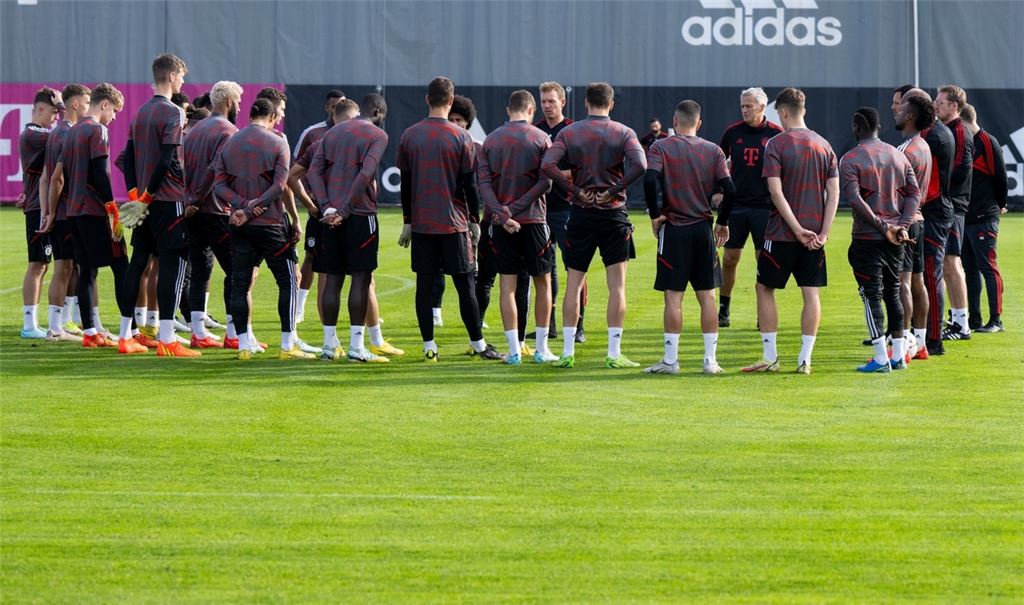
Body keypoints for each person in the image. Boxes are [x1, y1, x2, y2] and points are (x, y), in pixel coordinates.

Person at [541, 82, 647, 369]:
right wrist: (614, 190)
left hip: (581, 212)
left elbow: (548, 166)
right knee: (618, 286)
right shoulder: (623, 132)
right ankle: (613, 354)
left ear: (586, 103)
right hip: (613, 213)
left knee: (573, 284)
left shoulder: (570, 132)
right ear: (610, 104)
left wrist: (573, 190)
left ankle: (567, 352)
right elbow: (640, 165)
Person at [396, 76, 500, 362]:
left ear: (427, 99)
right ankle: (478, 345)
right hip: (454, 224)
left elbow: (406, 184)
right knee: (465, 284)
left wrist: (408, 220)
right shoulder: (462, 137)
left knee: (424, 285)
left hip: (422, 224)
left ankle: (429, 345)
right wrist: (475, 220)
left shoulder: (409, 135)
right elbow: (470, 185)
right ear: (451, 101)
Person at [742, 88, 838, 375]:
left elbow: (775, 191)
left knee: (764, 288)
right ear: (803, 110)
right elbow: (833, 193)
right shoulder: (825, 145)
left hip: (783, 234)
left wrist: (796, 229)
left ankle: (770, 357)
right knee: (811, 294)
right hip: (815, 237)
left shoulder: (776, 144)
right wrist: (824, 232)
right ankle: (804, 360)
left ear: (782, 112)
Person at [307, 94, 404, 362]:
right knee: (361, 278)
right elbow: (365, 173)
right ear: (380, 112)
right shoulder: (377, 135)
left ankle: (329, 346)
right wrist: (345, 210)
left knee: (333, 279)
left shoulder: (333, 132)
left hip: (329, 216)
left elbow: (313, 172)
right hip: (359, 214)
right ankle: (356, 347)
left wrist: (327, 207)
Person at [214, 97, 311, 360]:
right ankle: (287, 344)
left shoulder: (230, 142)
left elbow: (219, 186)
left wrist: (243, 207)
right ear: (271, 117)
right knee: (288, 282)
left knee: (240, 283)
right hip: (270, 224)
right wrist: (253, 207)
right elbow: (280, 186)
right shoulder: (278, 142)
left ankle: (244, 344)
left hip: (239, 225)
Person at [642, 100, 734, 375]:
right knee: (707, 297)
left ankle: (671, 361)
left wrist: (655, 214)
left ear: (675, 119)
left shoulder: (662, 147)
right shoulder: (713, 150)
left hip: (674, 230)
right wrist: (723, 222)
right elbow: (730, 189)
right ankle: (710, 361)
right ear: (699, 123)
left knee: (673, 297)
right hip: (702, 231)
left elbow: (649, 180)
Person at [117, 53, 199, 357]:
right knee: (172, 265)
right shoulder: (174, 113)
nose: (183, 81)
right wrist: (148, 197)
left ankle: (125, 336)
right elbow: (166, 160)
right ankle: (167, 339)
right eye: (182, 76)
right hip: (167, 201)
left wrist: (136, 196)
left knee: (138, 263)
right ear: (173, 75)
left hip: (146, 203)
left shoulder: (140, 113)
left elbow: (127, 159)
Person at [61, 83, 146, 354]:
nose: (114, 118)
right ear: (105, 104)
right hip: (94, 210)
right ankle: (130, 332)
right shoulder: (98, 130)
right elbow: (100, 172)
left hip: (73, 210)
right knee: (122, 265)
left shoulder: (72, 132)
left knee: (87, 270)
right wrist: (112, 209)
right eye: (115, 111)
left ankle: (90, 333)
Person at [477, 89, 558, 364]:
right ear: (532, 110)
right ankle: (541, 349)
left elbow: (484, 185)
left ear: (507, 109)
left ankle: (513, 351)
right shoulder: (541, 138)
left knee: (507, 286)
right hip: (534, 220)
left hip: (502, 224)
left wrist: (502, 213)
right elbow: (545, 182)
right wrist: (514, 209)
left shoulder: (490, 140)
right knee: (543, 284)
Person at [840, 107, 921, 373]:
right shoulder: (898, 155)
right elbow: (914, 194)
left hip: (868, 237)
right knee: (893, 292)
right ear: (879, 126)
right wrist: (902, 225)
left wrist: (883, 225)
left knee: (871, 296)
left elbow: (854, 198)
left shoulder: (851, 158)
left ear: (856, 126)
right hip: (896, 238)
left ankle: (880, 357)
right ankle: (897, 356)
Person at [181, 80, 243, 349]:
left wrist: (190, 199)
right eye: (238, 101)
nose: (239, 106)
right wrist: (197, 197)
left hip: (194, 210)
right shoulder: (228, 131)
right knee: (235, 271)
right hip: (216, 208)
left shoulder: (195, 129)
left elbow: (185, 167)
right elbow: (215, 169)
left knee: (200, 269)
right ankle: (233, 333)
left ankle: (198, 332)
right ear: (229, 102)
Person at [716, 87, 783, 328]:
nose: (744, 110)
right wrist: (716, 191)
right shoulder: (733, 132)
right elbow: (717, 162)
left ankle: (762, 314)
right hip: (736, 206)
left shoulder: (776, 133)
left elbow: (785, 169)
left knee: (762, 260)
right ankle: (724, 309)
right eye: (742, 105)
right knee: (730, 258)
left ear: (762, 107)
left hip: (765, 207)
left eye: (749, 106)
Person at [533, 81, 585, 343]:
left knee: (574, 267)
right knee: (544, 270)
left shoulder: (573, 131)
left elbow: (582, 169)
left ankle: (579, 326)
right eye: (543, 101)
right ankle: (549, 325)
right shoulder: (536, 130)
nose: (547, 106)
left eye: (552, 101)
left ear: (562, 102)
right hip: (539, 211)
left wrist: (554, 174)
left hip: (567, 209)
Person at [39, 84, 91, 341]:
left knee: (70, 268)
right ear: (74, 104)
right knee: (64, 268)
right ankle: (55, 328)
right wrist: (53, 212)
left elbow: (47, 177)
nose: (87, 107)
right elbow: (57, 180)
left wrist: (47, 211)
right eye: (85, 102)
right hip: (68, 212)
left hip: (60, 211)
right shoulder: (69, 134)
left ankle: (63, 323)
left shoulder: (55, 133)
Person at [292, 89, 345, 325]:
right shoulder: (312, 134)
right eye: (334, 106)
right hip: (319, 209)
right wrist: (310, 202)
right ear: (327, 108)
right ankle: (300, 307)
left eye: (341, 106)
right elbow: (295, 169)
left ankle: (365, 314)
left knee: (353, 264)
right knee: (312, 258)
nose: (337, 110)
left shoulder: (350, 135)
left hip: (344, 211)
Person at [908, 88, 955, 356]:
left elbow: (933, 185)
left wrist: (916, 207)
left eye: (902, 105)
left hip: (933, 213)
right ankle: (919, 336)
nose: (897, 110)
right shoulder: (933, 134)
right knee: (923, 275)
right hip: (933, 210)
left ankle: (933, 340)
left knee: (929, 274)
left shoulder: (933, 137)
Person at [893, 90, 935, 360]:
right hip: (919, 220)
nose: (895, 111)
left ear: (910, 115)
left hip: (905, 223)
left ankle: (904, 343)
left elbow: (897, 191)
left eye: (900, 108)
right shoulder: (924, 146)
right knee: (917, 282)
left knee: (902, 284)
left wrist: (899, 224)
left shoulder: (906, 150)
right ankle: (919, 342)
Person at [18, 87, 61, 339]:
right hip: (37, 207)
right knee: (37, 265)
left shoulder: (39, 133)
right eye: (54, 112)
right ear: (41, 109)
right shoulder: (34, 134)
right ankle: (28, 325)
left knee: (42, 265)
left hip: (38, 203)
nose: (56, 117)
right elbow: (63, 138)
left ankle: (33, 323)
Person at [960, 104, 1007, 333]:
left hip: (984, 215)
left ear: (965, 121)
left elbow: (1000, 176)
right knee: (969, 270)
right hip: (967, 216)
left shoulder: (988, 142)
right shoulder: (966, 143)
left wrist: (1000, 204)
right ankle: (974, 318)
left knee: (988, 267)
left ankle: (996, 320)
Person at [934, 85, 974, 342]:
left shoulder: (959, 131)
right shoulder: (950, 130)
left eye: (940, 101)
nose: (936, 105)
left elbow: (961, 169)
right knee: (947, 262)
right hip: (950, 204)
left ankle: (962, 324)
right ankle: (957, 319)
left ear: (954, 106)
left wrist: (942, 191)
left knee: (951, 262)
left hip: (953, 206)